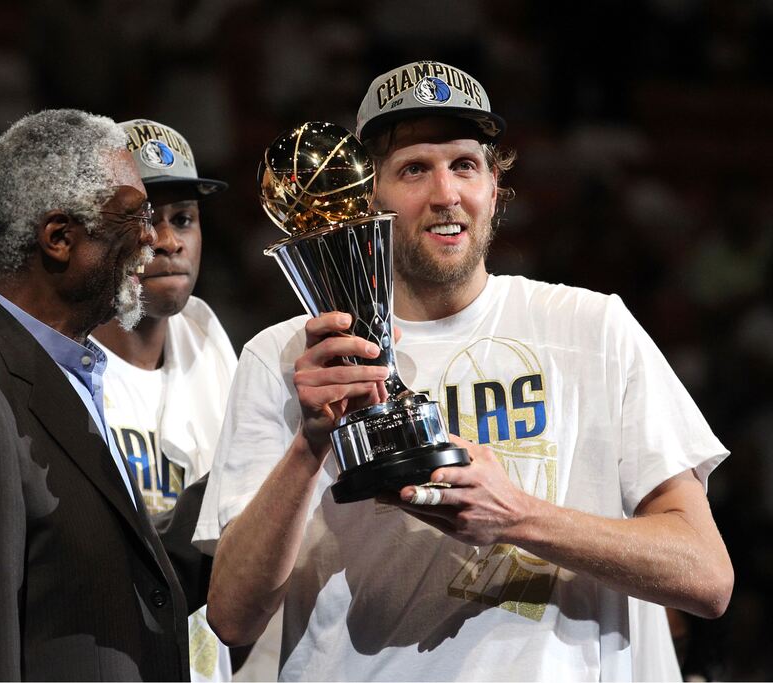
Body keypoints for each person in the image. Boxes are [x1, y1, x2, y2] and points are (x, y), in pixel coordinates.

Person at [195, 61, 733, 681]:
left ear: (495, 186)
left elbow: (707, 576)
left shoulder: (595, 330)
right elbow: (231, 618)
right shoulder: (289, 356)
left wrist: (519, 517)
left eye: (465, 165)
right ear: (366, 196)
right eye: (414, 169)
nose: (446, 193)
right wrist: (310, 444)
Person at [0, 109, 211, 680]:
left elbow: (112, 584)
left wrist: (265, 459)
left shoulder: (65, 368)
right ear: (59, 239)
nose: (155, 240)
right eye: (133, 219)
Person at [90, 119, 237, 683]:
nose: (171, 242)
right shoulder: (61, 362)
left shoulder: (207, 337)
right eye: (149, 218)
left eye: (184, 220)